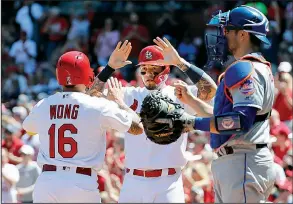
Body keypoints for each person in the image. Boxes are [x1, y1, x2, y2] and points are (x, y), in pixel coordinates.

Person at [165, 5, 276, 202]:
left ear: (243, 35)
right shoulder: (257, 66)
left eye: (228, 30)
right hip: (241, 161)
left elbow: (239, 121)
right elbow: (223, 116)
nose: (224, 35)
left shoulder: (245, 67)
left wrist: (191, 123)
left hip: (242, 161)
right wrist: (192, 101)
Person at [94, 37, 216, 202]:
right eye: (144, 69)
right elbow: (91, 96)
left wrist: (180, 62)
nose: (149, 74)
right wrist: (109, 68)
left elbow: (210, 91)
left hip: (168, 181)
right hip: (133, 180)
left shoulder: (179, 93)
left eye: (154, 69)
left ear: (166, 70)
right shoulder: (130, 94)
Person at [22, 42, 143, 203]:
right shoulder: (97, 105)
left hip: (47, 183)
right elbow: (137, 128)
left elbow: (28, 128)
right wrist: (120, 102)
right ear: (86, 74)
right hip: (80, 183)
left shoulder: (44, 104)